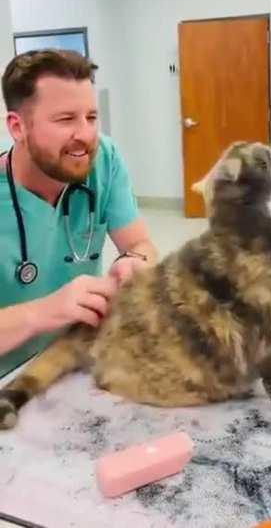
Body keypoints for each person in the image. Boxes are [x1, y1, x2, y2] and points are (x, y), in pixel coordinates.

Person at [0, 49, 157, 378]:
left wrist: (135, 264)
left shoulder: (104, 160)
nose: (85, 135)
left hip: (77, 363)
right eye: (65, 119)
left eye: (91, 117)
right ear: (17, 127)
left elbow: (141, 244)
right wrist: (43, 312)